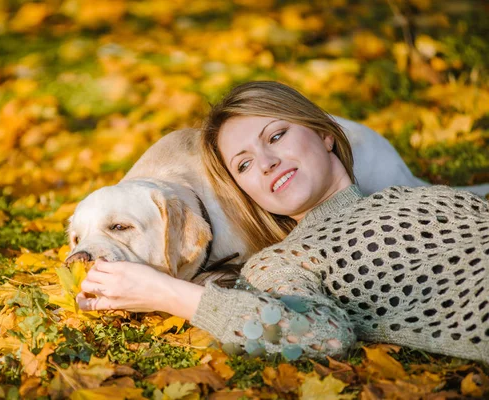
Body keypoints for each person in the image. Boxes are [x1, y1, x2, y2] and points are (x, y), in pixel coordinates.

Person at [76, 81, 489, 363]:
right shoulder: (286, 261)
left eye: (275, 136)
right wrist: (167, 292)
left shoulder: (418, 198)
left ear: (326, 133)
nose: (268, 162)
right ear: (247, 192)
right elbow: (321, 336)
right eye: (244, 164)